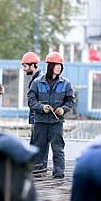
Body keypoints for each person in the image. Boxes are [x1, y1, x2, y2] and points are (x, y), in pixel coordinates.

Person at [27, 51, 74, 179]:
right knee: (38, 149)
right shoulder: (37, 83)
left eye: (60, 65)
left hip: (56, 123)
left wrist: (63, 109)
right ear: (49, 66)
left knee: (58, 149)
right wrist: (42, 107)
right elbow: (31, 101)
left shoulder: (65, 84)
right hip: (41, 122)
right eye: (56, 65)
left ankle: (58, 175)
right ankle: (37, 174)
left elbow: (70, 101)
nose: (59, 67)